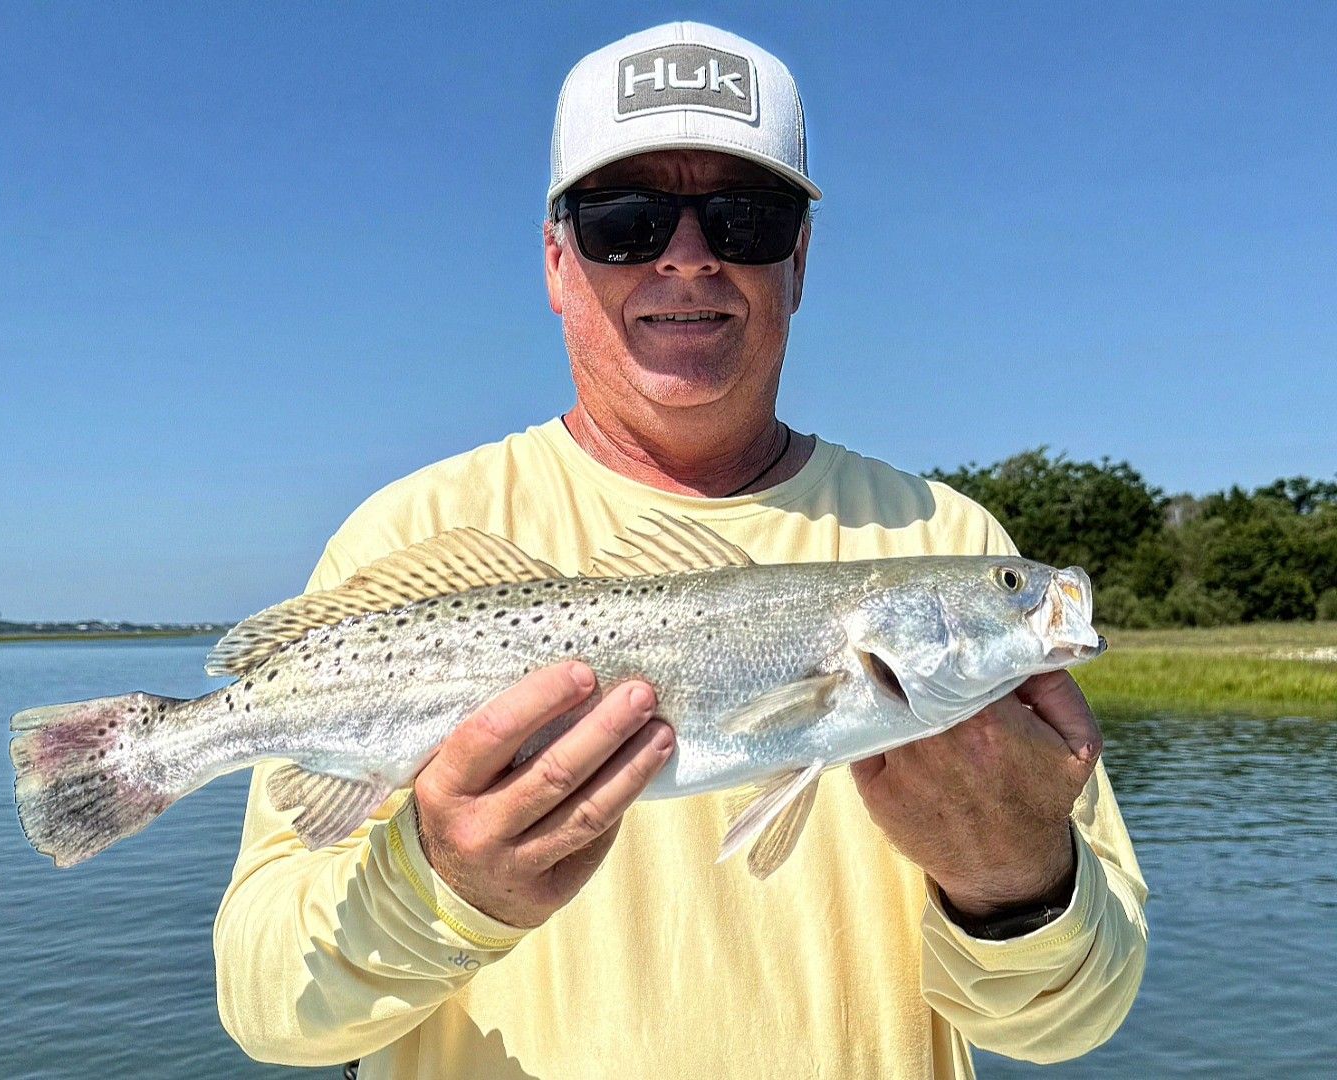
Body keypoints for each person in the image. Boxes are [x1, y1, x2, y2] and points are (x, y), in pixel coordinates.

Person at [214, 22, 1147, 1079]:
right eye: (627, 222)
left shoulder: (951, 538)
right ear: (558, 265)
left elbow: (1072, 1026)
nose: (688, 256)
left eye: (747, 219)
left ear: (799, 260)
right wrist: (435, 887)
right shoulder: (401, 537)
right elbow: (269, 1011)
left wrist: (1018, 882)